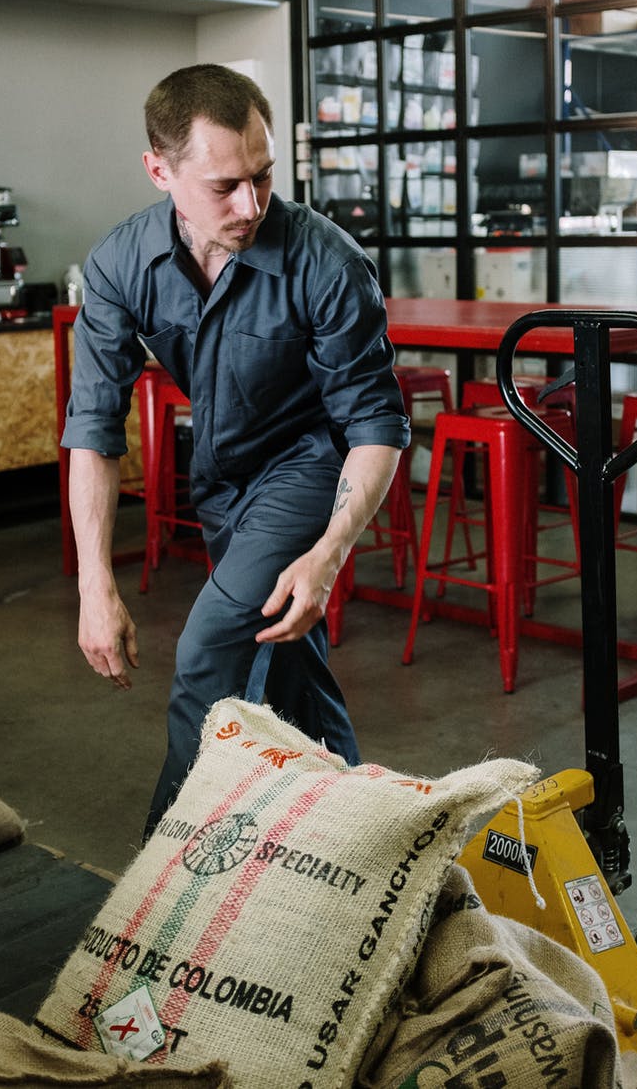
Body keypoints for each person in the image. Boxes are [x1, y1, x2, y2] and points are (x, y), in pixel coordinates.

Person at [62, 63, 410, 838]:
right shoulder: (122, 265)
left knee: (210, 651)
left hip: (309, 464)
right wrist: (94, 583)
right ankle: (364, 840)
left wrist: (327, 552)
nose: (251, 205)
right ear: (160, 170)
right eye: (224, 185)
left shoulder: (325, 261)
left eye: (263, 176)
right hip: (222, 480)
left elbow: (375, 425)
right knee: (292, 672)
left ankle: (165, 877)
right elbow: (92, 427)